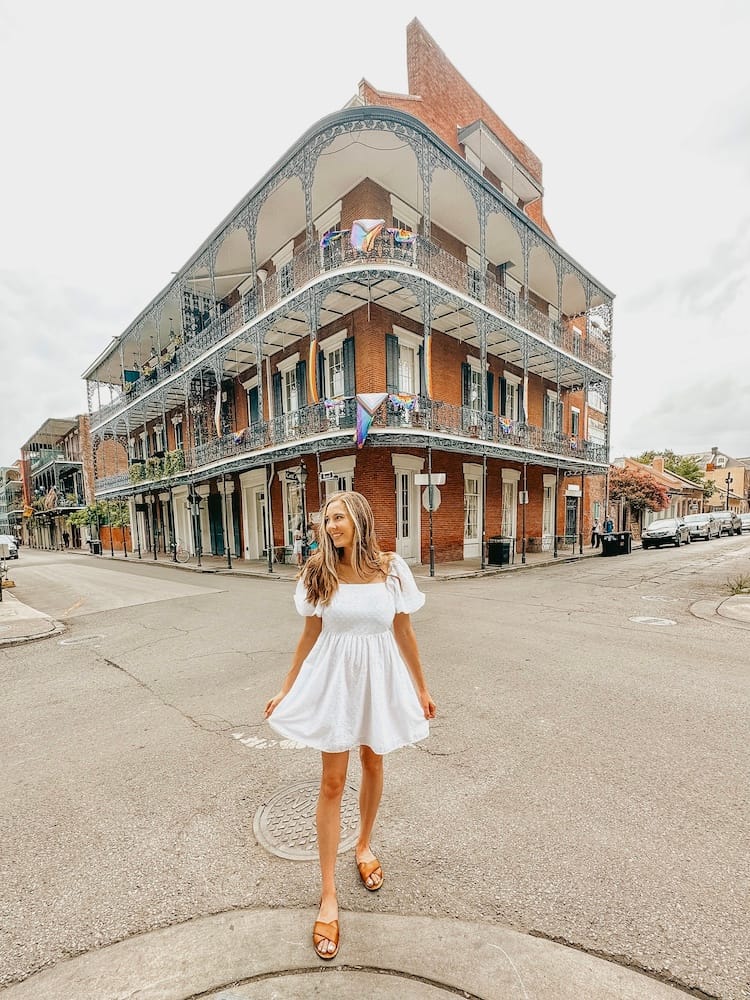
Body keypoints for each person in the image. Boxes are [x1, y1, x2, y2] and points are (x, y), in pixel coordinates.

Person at [264, 491, 436, 962]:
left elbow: (404, 629)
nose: (329, 526)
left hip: (379, 677)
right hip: (336, 680)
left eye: (337, 517)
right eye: (326, 520)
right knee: (333, 781)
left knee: (374, 760)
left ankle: (363, 846)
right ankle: (327, 894)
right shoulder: (319, 570)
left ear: (358, 518)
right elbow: (309, 635)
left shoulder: (391, 569)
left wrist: (420, 687)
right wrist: (286, 688)